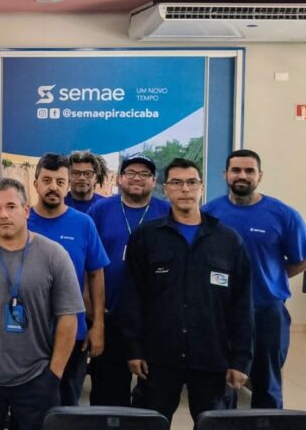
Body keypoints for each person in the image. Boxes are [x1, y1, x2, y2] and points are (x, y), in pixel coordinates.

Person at [120, 158, 253, 424]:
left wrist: (241, 360)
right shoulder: (146, 237)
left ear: (201, 187)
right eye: (177, 183)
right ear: (165, 189)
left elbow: (241, 304)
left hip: (212, 357)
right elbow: (132, 297)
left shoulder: (228, 240)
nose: (185, 189)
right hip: (158, 359)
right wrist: (133, 349)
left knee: (214, 424)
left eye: (191, 182)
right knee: (149, 423)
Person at [0, 178, 83, 430]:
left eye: (11, 206)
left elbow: (68, 317)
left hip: (37, 376)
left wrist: (54, 373)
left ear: (26, 210)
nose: (4, 214)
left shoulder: (54, 255)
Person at [203, 149, 306, 409]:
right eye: (236, 170)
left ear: (260, 175)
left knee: (267, 382)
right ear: (225, 174)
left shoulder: (284, 214)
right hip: (220, 312)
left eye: (249, 170)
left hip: (266, 310)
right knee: (220, 384)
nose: (242, 175)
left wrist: (273, 278)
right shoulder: (208, 213)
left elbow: (305, 259)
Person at [86, 155, 170, 407]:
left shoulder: (166, 212)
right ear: (119, 178)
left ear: (154, 181)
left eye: (144, 174)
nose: (137, 178)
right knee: (107, 389)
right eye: (131, 172)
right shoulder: (100, 210)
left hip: (153, 319)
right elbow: (87, 261)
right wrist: (90, 305)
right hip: (109, 313)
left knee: (153, 391)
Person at [27, 153, 109, 406]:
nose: (53, 187)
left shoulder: (83, 223)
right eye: (47, 180)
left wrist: (98, 326)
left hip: (72, 332)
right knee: (28, 406)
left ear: (67, 185)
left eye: (60, 181)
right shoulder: (22, 221)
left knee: (67, 405)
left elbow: (96, 274)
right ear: (36, 183)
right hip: (27, 333)